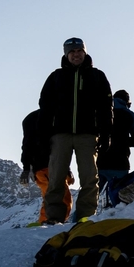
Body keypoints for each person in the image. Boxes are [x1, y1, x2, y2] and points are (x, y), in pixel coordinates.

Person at [37, 37, 112, 224]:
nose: (76, 55)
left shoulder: (97, 76)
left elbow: (105, 107)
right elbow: (45, 107)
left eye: (79, 51)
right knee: (56, 178)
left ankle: (86, 217)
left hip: (88, 134)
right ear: (66, 55)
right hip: (60, 134)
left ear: (84, 52)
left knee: (89, 178)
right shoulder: (56, 77)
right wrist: (44, 135)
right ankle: (54, 218)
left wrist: (106, 134)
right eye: (72, 52)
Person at [19, 109, 74, 224]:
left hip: (44, 167)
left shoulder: (33, 118)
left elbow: (27, 145)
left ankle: (45, 222)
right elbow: (28, 144)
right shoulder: (52, 118)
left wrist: (27, 168)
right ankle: (49, 222)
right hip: (47, 166)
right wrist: (26, 168)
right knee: (60, 198)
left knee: (51, 196)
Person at [96, 89, 134, 190]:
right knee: (118, 199)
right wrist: (123, 142)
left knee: (96, 196)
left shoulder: (100, 112)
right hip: (120, 162)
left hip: (100, 161)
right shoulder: (130, 115)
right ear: (127, 102)